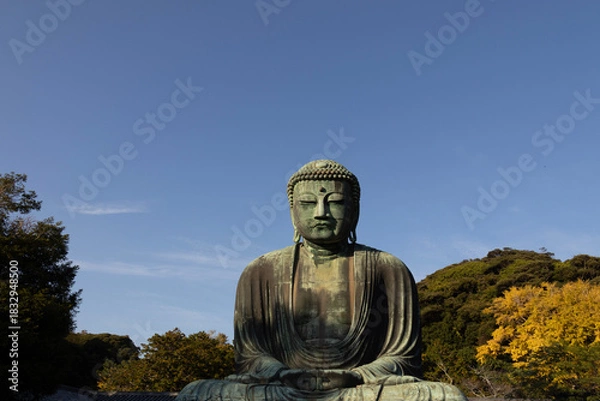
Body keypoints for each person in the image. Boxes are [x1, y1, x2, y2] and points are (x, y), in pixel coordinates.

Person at [177, 160, 467, 401]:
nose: (321, 212)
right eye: (307, 203)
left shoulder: (388, 268)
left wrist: (358, 375)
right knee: (196, 394)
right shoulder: (260, 270)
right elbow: (250, 357)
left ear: (354, 211)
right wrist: (280, 372)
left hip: (359, 390)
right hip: (283, 388)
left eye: (336, 202)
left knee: (445, 396)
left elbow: (403, 359)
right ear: (293, 213)